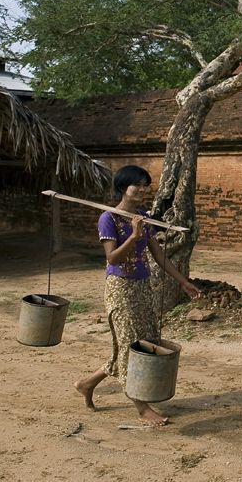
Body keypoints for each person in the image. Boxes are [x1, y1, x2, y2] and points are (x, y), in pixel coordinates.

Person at [74, 165, 201, 425]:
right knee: (131, 345)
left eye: (145, 185)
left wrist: (184, 282)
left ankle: (87, 383)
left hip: (142, 287)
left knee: (142, 341)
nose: (143, 189)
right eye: (137, 185)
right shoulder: (108, 218)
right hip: (120, 288)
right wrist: (133, 236)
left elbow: (159, 255)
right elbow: (112, 257)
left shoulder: (144, 216)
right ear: (123, 187)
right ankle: (142, 408)